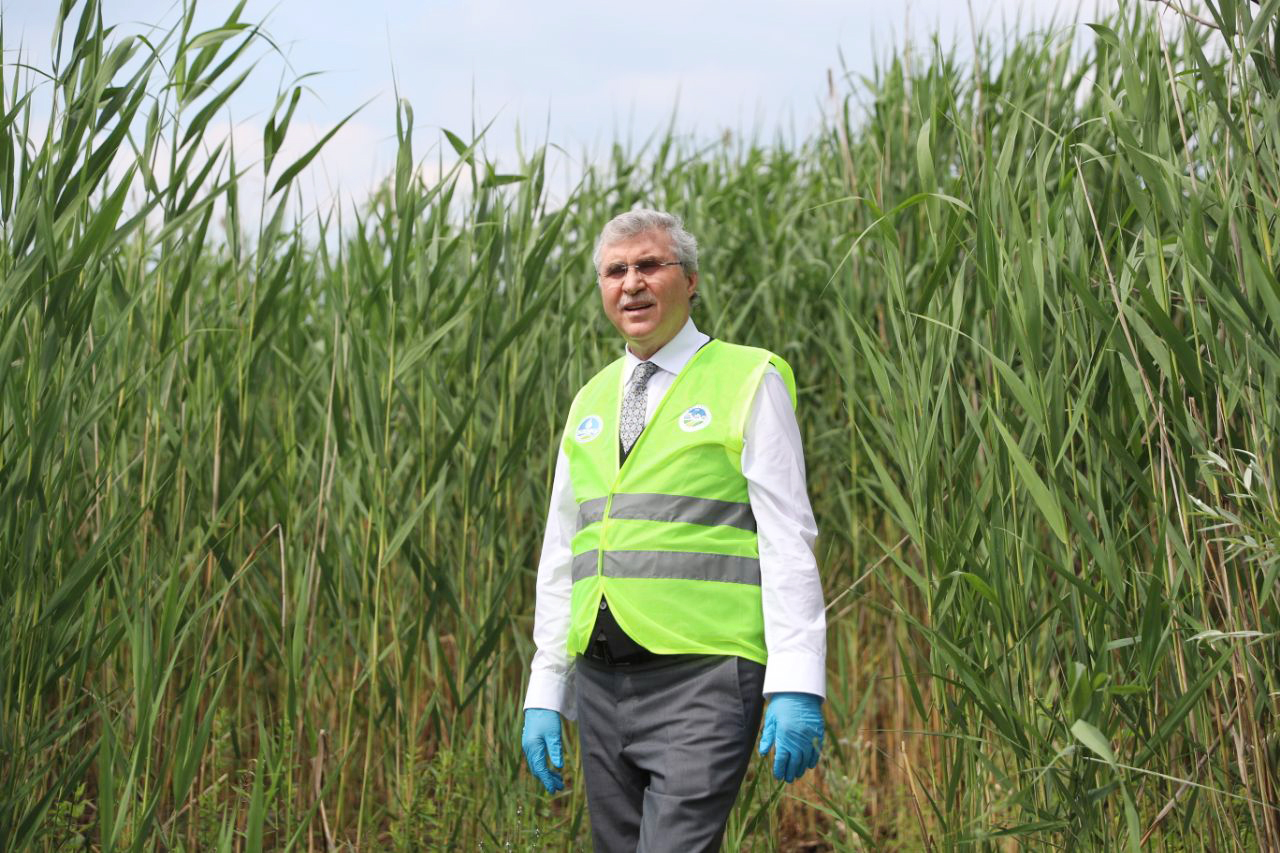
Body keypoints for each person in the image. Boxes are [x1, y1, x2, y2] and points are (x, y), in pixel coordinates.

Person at [520, 209, 827, 851]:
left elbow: (787, 539)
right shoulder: (590, 401)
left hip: (705, 679)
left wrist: (796, 683)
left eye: (649, 265)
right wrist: (546, 687)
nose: (631, 283)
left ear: (690, 280)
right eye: (615, 270)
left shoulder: (748, 379)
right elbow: (562, 551)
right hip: (603, 683)